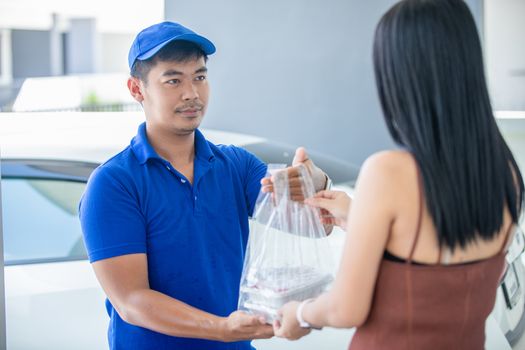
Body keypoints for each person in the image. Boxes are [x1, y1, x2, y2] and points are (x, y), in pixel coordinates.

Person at [273, 0, 525, 349]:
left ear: (401, 78)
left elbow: (347, 309)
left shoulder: (388, 172)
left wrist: (299, 313)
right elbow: (442, 254)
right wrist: (357, 216)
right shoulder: (506, 173)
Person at [79, 21, 329, 349]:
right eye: (173, 80)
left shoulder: (236, 166)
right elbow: (132, 300)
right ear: (137, 89)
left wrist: (314, 180)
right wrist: (220, 328)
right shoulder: (114, 183)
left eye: (200, 76)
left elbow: (317, 227)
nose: (192, 93)